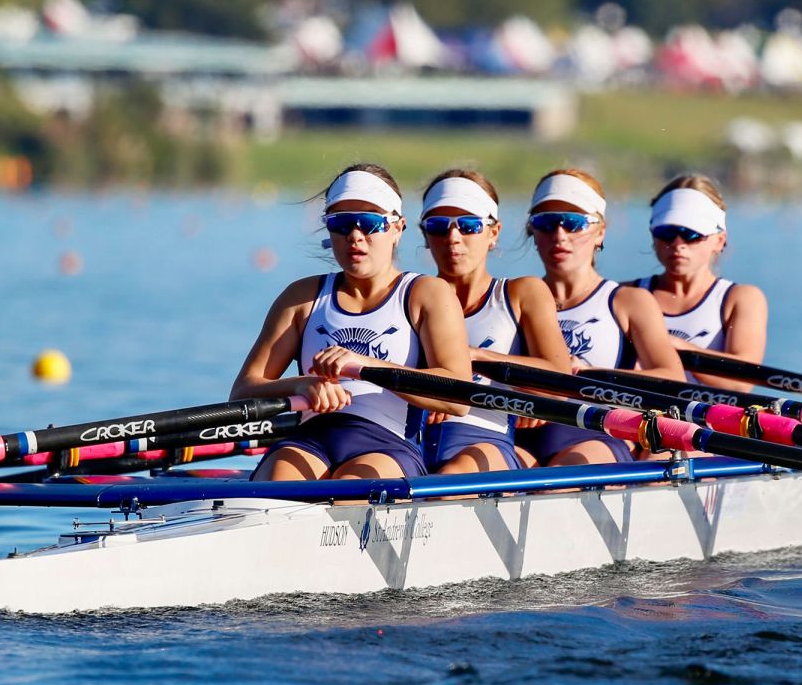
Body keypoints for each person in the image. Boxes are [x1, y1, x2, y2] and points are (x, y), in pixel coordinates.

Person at [231, 163, 472, 481]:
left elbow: (459, 397)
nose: (355, 235)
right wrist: (301, 384)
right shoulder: (301, 297)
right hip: (309, 440)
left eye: (370, 222)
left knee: (351, 489)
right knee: (277, 484)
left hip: (388, 445)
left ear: (397, 228)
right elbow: (243, 391)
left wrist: (362, 366)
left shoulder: (426, 294)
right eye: (341, 223)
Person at [515, 168, 684, 468]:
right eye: (546, 222)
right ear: (533, 231)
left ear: (600, 232)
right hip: (522, 435)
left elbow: (672, 378)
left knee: (554, 484)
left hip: (597, 434)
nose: (559, 236)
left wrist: (591, 374)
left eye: (574, 223)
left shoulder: (627, 301)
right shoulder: (515, 297)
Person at [418, 169, 571, 474]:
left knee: (446, 482)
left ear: (493, 232)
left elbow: (560, 377)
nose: (453, 238)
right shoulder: (410, 295)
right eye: (438, 226)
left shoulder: (521, 293)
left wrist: (471, 356)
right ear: (424, 234)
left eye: (469, 226)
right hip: (412, 443)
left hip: (484, 444)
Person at [628, 175, 767, 393]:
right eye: (666, 233)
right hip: (639, 422)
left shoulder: (740, 299)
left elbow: (741, 383)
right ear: (653, 236)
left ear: (719, 240)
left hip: (708, 423)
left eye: (691, 234)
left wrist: (675, 347)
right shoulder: (624, 295)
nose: (677, 244)